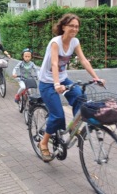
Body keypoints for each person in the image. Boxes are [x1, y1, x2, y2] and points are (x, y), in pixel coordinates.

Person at [37, 13, 104, 162]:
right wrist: (56, 84)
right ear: (63, 27)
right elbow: (54, 63)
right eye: (71, 25)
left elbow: (83, 60)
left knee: (80, 96)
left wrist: (96, 77)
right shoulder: (56, 42)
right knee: (58, 115)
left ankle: (73, 126)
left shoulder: (75, 42)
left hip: (63, 79)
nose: (74, 28)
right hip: (47, 82)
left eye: (77, 26)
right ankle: (43, 142)